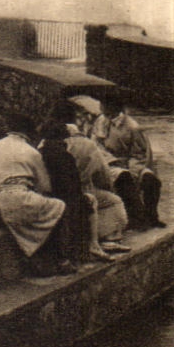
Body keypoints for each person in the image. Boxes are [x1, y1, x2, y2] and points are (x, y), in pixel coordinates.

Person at [0, 112, 73, 276]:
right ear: (28, 133)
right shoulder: (31, 151)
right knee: (59, 206)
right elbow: (45, 187)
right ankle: (59, 260)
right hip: (17, 199)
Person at [54, 99, 130, 256]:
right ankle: (109, 237)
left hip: (56, 190)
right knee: (113, 201)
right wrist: (109, 187)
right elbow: (103, 175)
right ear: (76, 120)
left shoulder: (48, 140)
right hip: (82, 189)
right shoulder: (85, 144)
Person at [37, 119, 107, 266]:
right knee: (89, 201)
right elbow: (73, 185)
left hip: (47, 196)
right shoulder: (64, 155)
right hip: (67, 199)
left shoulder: (40, 152)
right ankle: (92, 246)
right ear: (63, 138)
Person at [92, 92, 162, 229]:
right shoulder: (100, 121)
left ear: (115, 106)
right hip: (109, 162)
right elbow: (96, 145)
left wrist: (134, 172)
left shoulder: (132, 127)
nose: (101, 107)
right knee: (123, 178)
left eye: (105, 104)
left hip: (130, 162)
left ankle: (152, 216)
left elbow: (139, 154)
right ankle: (136, 217)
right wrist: (111, 160)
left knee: (151, 180)